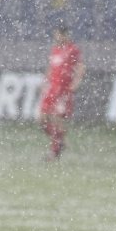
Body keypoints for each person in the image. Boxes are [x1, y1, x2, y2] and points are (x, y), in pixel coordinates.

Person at [39, 23, 86, 161]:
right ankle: (60, 140)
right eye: (56, 34)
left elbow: (81, 67)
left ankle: (55, 151)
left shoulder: (73, 50)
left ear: (65, 35)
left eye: (59, 34)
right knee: (42, 119)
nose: (57, 37)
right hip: (52, 88)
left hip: (63, 90)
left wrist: (76, 82)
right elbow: (51, 67)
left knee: (56, 118)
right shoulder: (55, 50)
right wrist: (44, 82)